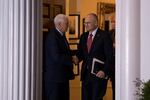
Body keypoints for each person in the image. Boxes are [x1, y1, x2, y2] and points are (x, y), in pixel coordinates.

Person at [73, 13, 113, 100]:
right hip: (86, 75)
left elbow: (109, 56)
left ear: (96, 23)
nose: (86, 25)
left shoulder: (104, 36)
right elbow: (81, 54)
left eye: (88, 23)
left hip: (98, 74)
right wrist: (75, 58)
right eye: (85, 22)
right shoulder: (83, 36)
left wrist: (104, 71)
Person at [44, 14, 75, 100]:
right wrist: (72, 59)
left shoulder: (61, 35)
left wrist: (77, 54)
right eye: (66, 23)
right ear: (59, 24)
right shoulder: (52, 37)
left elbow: (66, 52)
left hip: (62, 77)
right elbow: (56, 56)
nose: (68, 25)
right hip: (55, 80)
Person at [109, 14, 116, 100]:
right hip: (111, 66)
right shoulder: (110, 33)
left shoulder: (125, 31)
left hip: (122, 64)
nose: (112, 23)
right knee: (114, 88)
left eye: (114, 22)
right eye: (111, 22)